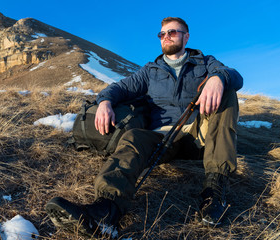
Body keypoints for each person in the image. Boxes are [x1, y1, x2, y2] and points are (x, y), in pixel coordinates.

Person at [45, 17, 243, 237]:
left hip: (200, 134)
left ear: (186, 37)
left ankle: (214, 191)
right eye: (162, 34)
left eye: (173, 32)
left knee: (228, 91)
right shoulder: (150, 70)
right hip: (163, 137)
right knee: (134, 138)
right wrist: (105, 102)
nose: (166, 37)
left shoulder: (205, 62)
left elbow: (235, 75)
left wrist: (218, 77)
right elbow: (119, 88)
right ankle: (106, 212)